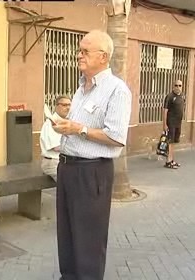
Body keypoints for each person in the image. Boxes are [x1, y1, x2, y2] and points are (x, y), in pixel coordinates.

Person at [53, 30, 132, 280]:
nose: (79, 55)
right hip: (67, 169)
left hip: (92, 172)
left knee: (88, 241)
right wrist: (66, 126)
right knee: (67, 237)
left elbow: (117, 137)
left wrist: (80, 129)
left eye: (85, 51)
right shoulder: (80, 88)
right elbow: (80, 127)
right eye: (79, 50)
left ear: (103, 56)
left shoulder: (116, 90)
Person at [40, 96, 71, 181]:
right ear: (56, 106)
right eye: (64, 105)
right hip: (53, 162)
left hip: (65, 161)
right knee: (70, 184)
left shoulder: (67, 122)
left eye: (69, 105)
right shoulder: (50, 124)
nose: (68, 108)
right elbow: (56, 147)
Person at [162, 80, 185, 169]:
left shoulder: (182, 96)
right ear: (173, 86)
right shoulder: (170, 96)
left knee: (174, 142)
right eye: (176, 85)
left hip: (178, 123)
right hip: (171, 122)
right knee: (170, 142)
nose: (178, 87)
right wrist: (164, 124)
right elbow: (165, 110)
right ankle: (168, 161)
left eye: (180, 85)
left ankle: (172, 160)